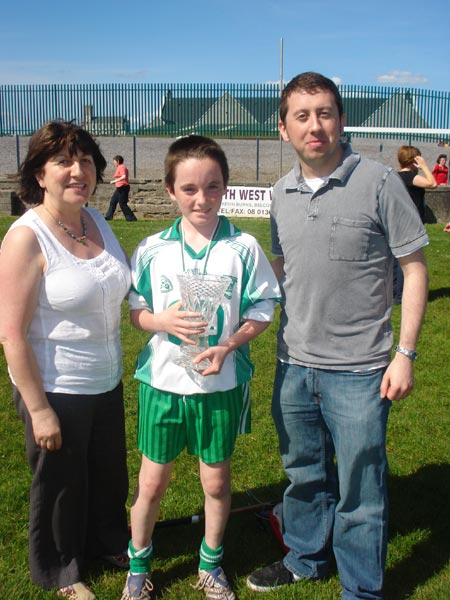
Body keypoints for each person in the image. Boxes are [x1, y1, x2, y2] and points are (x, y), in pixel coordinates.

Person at [246, 72, 429, 600]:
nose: (315, 125)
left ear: (341, 119)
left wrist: (406, 354)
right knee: (303, 474)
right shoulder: (280, 193)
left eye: (324, 112)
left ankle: (361, 588)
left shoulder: (378, 181)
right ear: (284, 129)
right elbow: (281, 273)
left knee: (360, 488)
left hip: (362, 370)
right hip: (294, 365)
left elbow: (414, 269)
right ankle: (305, 557)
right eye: (301, 116)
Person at [120, 135, 281, 600]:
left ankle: (210, 566)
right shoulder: (152, 248)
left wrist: (229, 345)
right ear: (170, 190)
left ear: (225, 187)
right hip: (163, 383)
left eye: (213, 187)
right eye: (189, 188)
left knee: (216, 480)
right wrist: (161, 321)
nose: (202, 198)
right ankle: (138, 566)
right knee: (151, 482)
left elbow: (263, 309)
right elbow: (136, 312)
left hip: (220, 384)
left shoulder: (244, 247)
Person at [0, 121, 131, 600]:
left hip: (106, 378)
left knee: (106, 473)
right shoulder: (26, 237)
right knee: (60, 485)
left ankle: (107, 540)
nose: (78, 171)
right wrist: (39, 410)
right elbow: (11, 334)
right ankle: (61, 568)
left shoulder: (94, 219)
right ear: (39, 173)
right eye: (63, 161)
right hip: (57, 384)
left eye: (86, 160)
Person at [397, 145, 437, 223]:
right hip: (413, 222)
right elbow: (433, 184)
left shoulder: (396, 175)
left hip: (401, 218)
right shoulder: (410, 176)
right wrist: (424, 166)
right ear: (414, 160)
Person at [105, 154, 137, 221]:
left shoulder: (122, 167)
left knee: (122, 204)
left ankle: (131, 218)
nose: (114, 163)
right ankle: (109, 216)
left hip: (123, 187)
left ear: (118, 161)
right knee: (113, 201)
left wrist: (115, 181)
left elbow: (123, 177)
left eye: (114, 161)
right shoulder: (119, 167)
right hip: (119, 188)